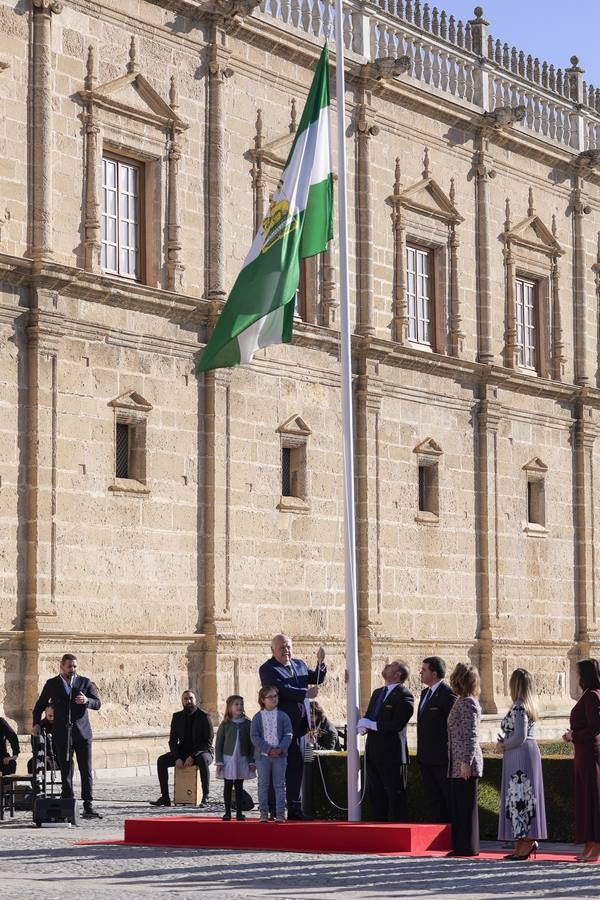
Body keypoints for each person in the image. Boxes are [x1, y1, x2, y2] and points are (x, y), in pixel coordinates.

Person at [259, 634, 326, 819]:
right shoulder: (267, 669)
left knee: (296, 766)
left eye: (288, 646)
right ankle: (273, 808)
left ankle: (295, 807)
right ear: (273, 650)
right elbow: (279, 689)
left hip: (298, 726)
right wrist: (305, 693)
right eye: (281, 647)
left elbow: (316, 678)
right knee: (277, 767)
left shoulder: (300, 664)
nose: (286, 650)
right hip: (278, 727)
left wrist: (321, 663)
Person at [32, 652, 102, 819]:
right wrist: (35, 723)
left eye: (75, 666)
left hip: (82, 733)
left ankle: (88, 803)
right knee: (66, 768)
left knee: (86, 769)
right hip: (62, 733)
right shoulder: (52, 684)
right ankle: (68, 800)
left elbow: (97, 703)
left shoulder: (84, 682)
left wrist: (87, 701)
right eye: (70, 666)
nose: (73, 669)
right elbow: (40, 705)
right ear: (62, 667)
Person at [497, 668, 547, 860]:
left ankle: (525, 841)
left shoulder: (519, 706)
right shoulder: (526, 705)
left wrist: (503, 745)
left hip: (520, 753)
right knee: (521, 798)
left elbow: (519, 736)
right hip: (523, 752)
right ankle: (522, 841)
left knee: (520, 797)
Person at [358, 660, 414, 822]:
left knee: (395, 796)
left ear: (397, 675)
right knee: (376, 796)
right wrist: (364, 725)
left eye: (391, 666)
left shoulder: (404, 695)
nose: (386, 666)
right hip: (374, 752)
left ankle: (398, 831)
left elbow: (396, 724)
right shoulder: (378, 692)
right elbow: (371, 714)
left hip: (391, 755)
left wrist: (372, 725)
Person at [563, 658, 600, 862]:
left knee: (593, 799)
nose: (575, 676)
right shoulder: (589, 695)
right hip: (583, 754)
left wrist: (573, 736)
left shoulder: (593, 696)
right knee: (585, 800)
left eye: (577, 672)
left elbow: (595, 728)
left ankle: (596, 848)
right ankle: (588, 845)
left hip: (590, 756)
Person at [150, 690, 214, 808]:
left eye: (191, 698)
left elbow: (207, 742)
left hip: (202, 752)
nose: (188, 701)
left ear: (195, 700)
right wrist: (177, 757)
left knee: (202, 759)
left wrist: (193, 756)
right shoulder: (177, 716)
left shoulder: (204, 716)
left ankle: (206, 797)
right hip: (183, 752)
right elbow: (172, 740)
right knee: (161, 760)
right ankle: (165, 797)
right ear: (182, 701)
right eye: (185, 699)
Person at [446, 662, 483, 857]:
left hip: (464, 762)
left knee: (466, 806)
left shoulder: (468, 703)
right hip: (458, 761)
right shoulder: (461, 701)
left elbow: (471, 734)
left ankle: (468, 846)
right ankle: (462, 845)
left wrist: (466, 762)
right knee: (460, 805)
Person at [416, 656, 456, 823]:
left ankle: (452, 835)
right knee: (434, 800)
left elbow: (453, 727)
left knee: (447, 799)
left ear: (434, 673)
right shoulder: (425, 693)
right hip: (426, 757)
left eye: (424, 669)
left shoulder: (447, 694)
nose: (420, 672)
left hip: (441, 759)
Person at [250, 686, 293, 823]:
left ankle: (280, 813)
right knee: (263, 785)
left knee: (279, 785)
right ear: (263, 700)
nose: (274, 699)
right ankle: (263, 812)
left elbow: (288, 733)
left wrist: (280, 748)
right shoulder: (257, 717)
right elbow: (254, 736)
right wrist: (269, 749)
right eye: (270, 697)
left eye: (275, 696)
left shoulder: (283, 716)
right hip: (263, 756)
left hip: (280, 756)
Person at [215, 695, 255, 821]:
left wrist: (252, 761)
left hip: (242, 759)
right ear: (230, 707)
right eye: (236, 704)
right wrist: (219, 760)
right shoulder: (225, 724)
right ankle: (227, 812)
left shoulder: (248, 723)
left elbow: (252, 744)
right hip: (228, 760)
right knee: (227, 785)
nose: (239, 707)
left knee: (239, 786)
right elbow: (219, 744)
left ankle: (239, 812)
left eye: (241, 704)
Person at [27, 704, 59, 775]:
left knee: (69, 763)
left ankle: (66, 785)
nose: (52, 718)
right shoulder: (39, 726)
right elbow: (35, 745)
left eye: (54, 715)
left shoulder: (61, 725)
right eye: (50, 716)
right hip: (43, 756)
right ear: (45, 713)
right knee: (32, 763)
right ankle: (36, 785)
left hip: (58, 757)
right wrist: (44, 756)